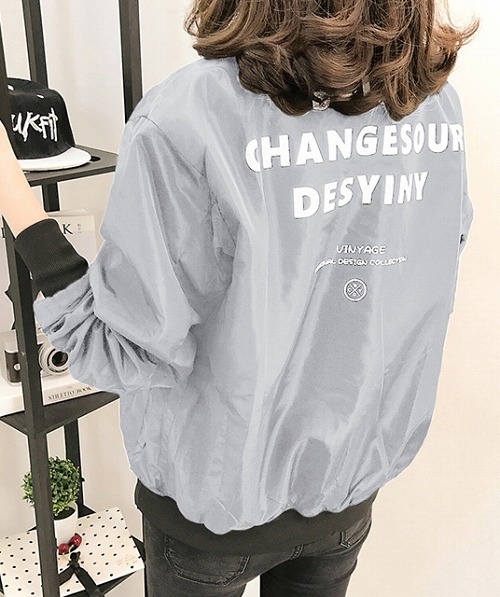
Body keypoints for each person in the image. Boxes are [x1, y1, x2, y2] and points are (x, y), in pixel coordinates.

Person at [0, 1, 479, 595]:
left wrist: (16, 199)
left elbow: (123, 352)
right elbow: (427, 266)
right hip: (348, 493)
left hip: (212, 512)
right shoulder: (431, 106)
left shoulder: (191, 115)